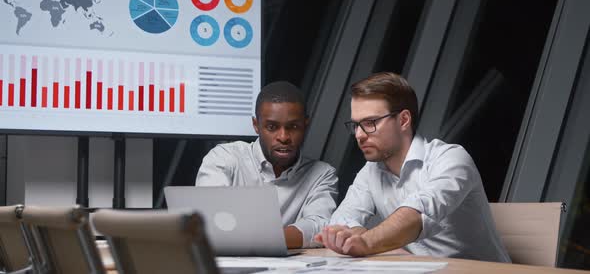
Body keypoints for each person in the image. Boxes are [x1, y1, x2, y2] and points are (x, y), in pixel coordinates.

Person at [314, 72, 510, 262]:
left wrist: (366, 240)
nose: (359, 135)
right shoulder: (371, 171)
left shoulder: (450, 158)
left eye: (370, 123)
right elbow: (339, 222)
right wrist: (354, 236)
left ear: (404, 120)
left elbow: (418, 213)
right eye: (356, 125)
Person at [196, 81, 338, 248]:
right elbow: (209, 221)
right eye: (272, 127)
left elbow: (320, 227)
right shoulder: (224, 158)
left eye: (293, 126)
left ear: (305, 125)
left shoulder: (322, 174)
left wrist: (254, 240)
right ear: (256, 125)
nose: (283, 137)